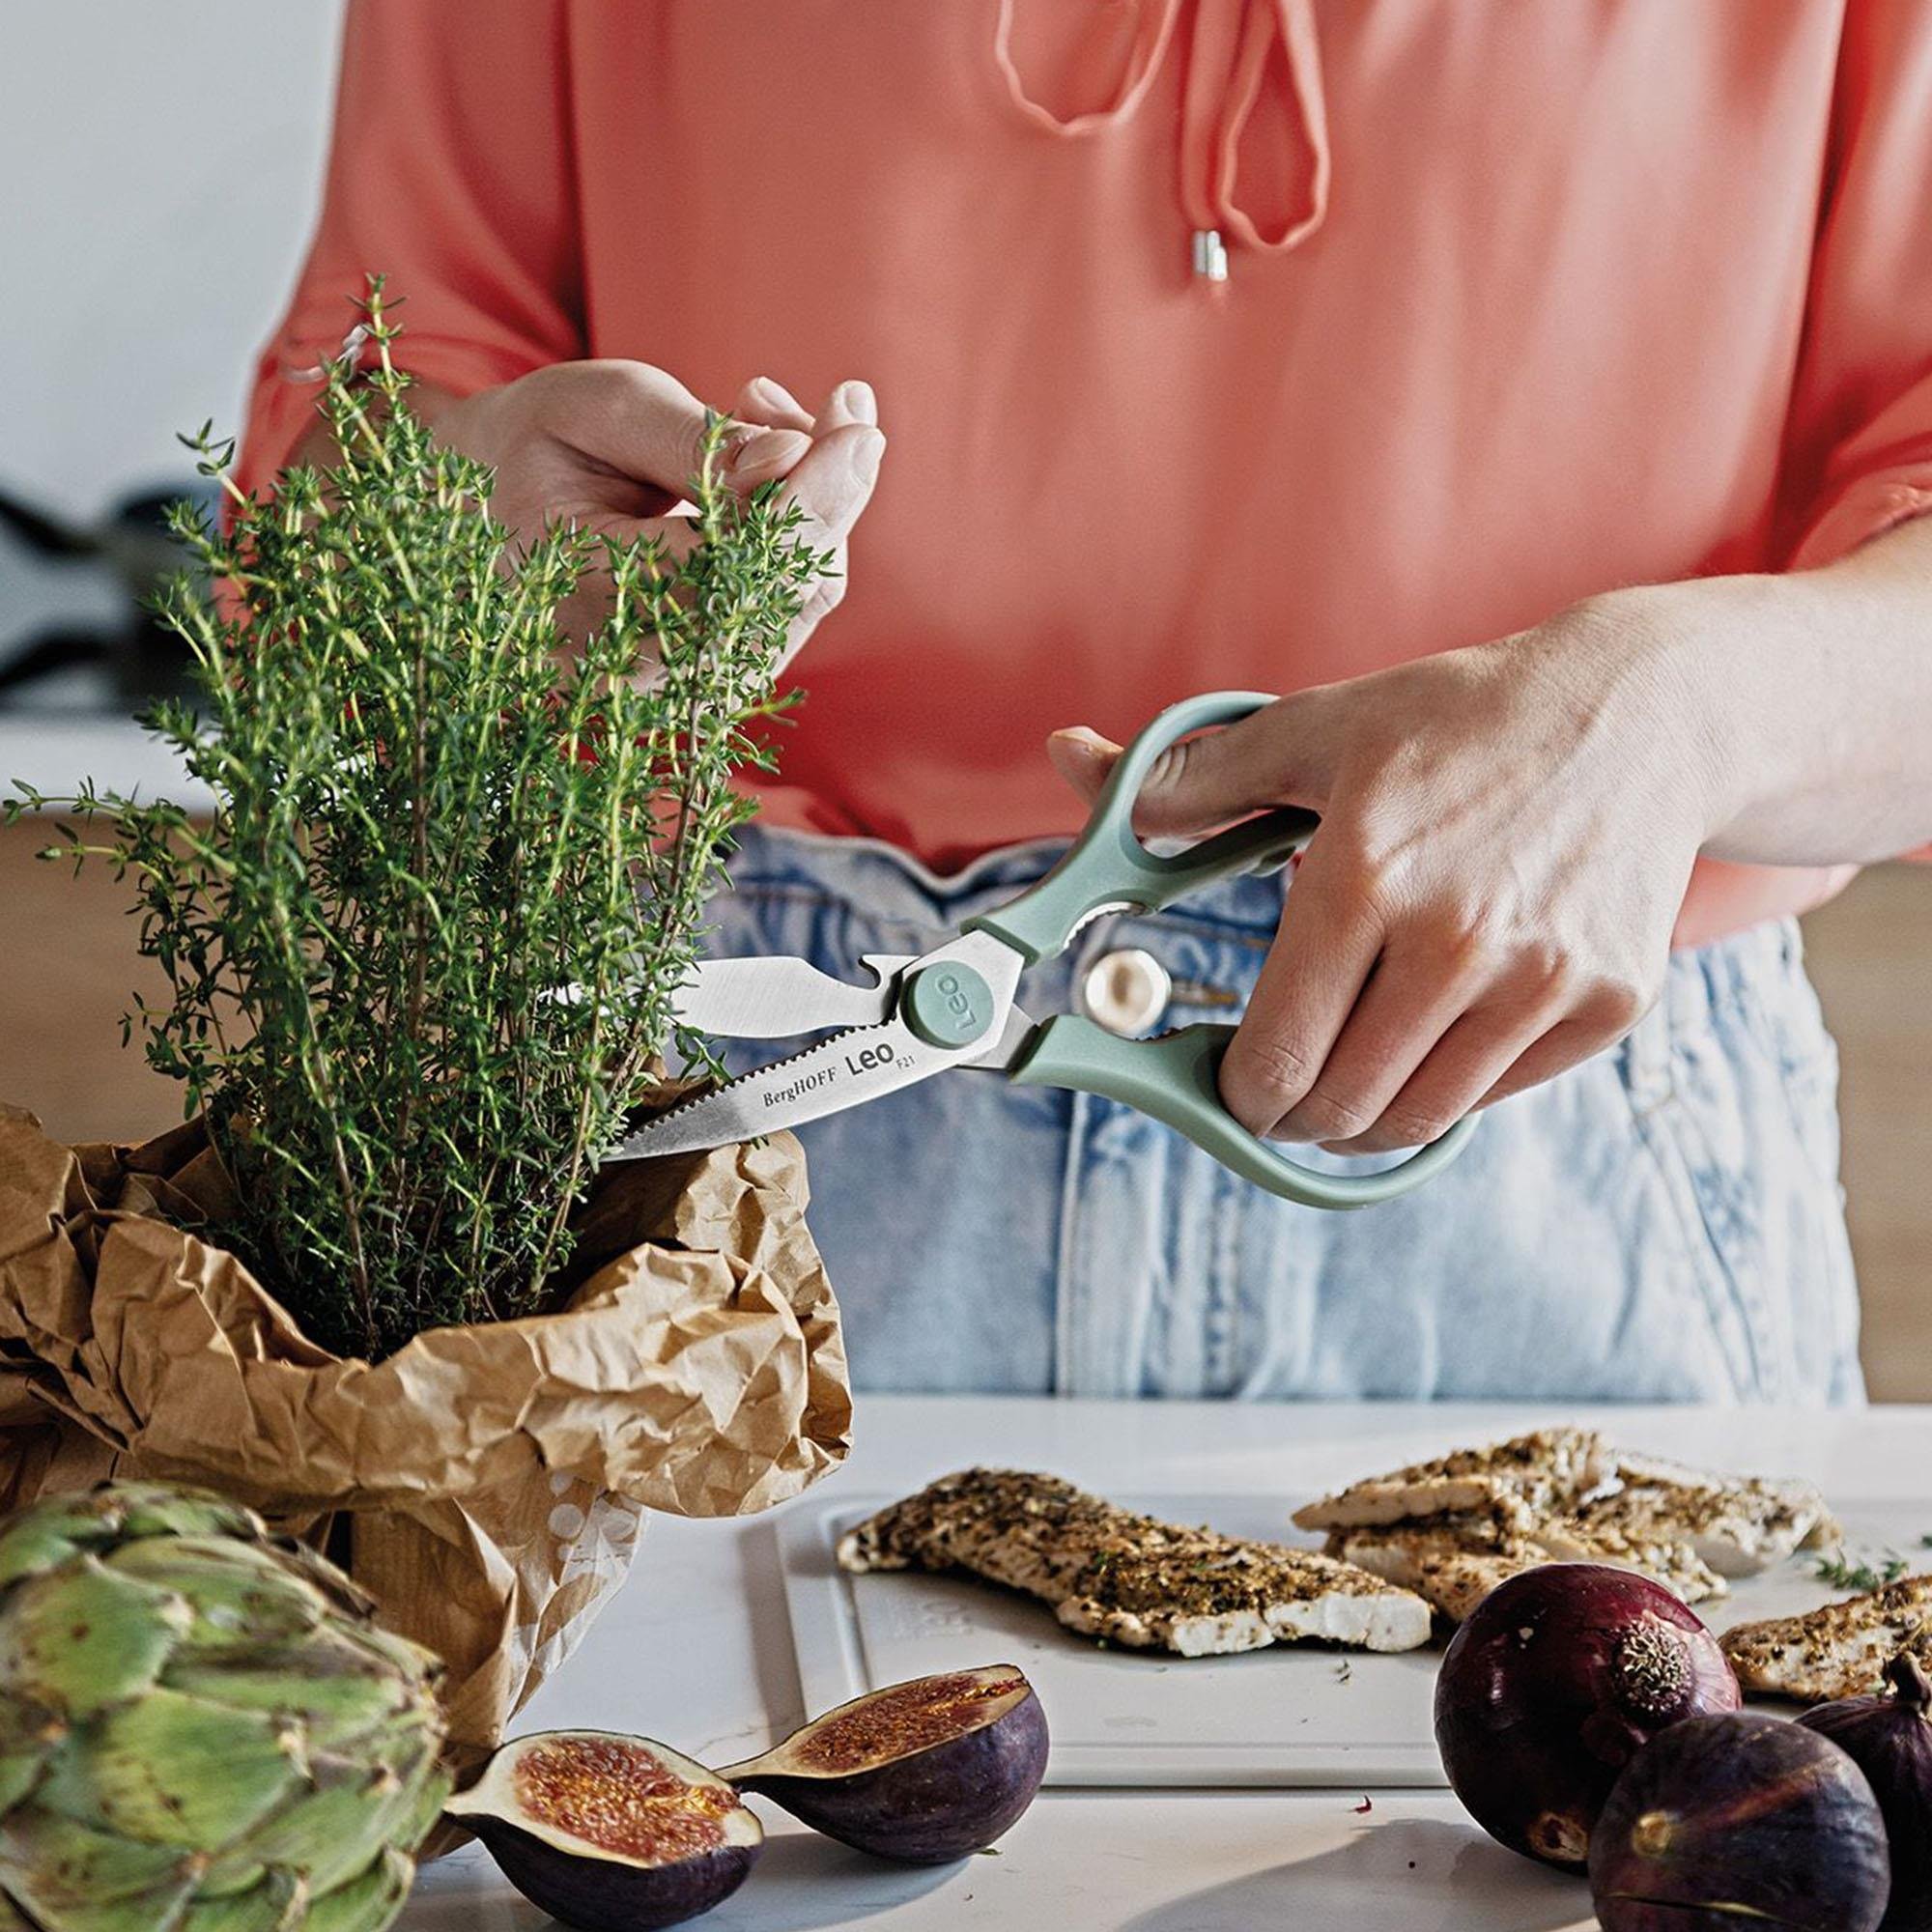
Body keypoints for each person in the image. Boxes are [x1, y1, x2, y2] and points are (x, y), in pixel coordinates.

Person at [242, 1, 1932, 1404]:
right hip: (685, 1115)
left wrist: (1666, 721)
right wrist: (460, 555)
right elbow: (345, 443)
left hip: (1546, 1094)